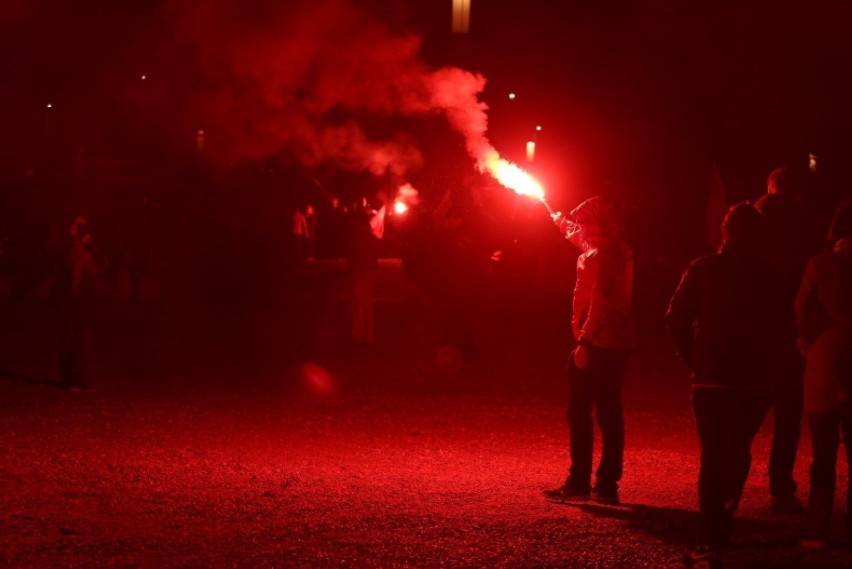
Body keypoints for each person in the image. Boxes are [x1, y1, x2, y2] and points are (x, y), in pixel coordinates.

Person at [666, 203, 786, 569]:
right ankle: (722, 527)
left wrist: (694, 359)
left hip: (713, 380)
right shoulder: (771, 275)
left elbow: (674, 318)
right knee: (738, 452)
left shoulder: (703, 268)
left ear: (725, 231)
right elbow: (783, 327)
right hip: (754, 383)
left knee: (713, 455)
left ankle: (709, 539)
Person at [544, 196, 634, 505]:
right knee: (605, 412)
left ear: (602, 223)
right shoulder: (609, 249)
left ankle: (591, 483)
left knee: (588, 413)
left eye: (586, 223)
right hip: (610, 342)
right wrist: (561, 223)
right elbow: (581, 241)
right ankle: (598, 484)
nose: (581, 228)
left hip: (599, 343)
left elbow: (602, 302)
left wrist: (585, 341)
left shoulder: (604, 257)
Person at [754, 166, 821, 513]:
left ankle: (727, 479)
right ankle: (780, 485)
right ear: (794, 191)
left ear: (769, 188)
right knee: (788, 411)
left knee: (745, 409)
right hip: (789, 326)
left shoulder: (749, 219)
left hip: (754, 327)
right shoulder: (806, 222)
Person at [795, 197, 852, 548]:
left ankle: (818, 527)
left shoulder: (819, 264)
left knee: (823, 455)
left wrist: (809, 343)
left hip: (824, 370)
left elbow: (800, 311)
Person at [52, 215, 108, 392]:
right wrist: (69, 238)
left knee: (83, 340)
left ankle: (76, 378)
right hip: (70, 298)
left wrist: (90, 243)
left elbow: (101, 265)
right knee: (70, 338)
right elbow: (63, 263)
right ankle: (69, 379)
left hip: (86, 298)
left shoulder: (87, 245)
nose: (80, 229)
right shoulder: (63, 243)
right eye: (78, 224)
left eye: (84, 225)